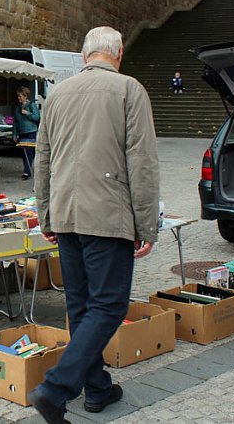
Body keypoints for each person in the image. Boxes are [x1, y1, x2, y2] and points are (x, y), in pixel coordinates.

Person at [29, 26, 159, 423]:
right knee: (108, 305)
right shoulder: (128, 89)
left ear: (85, 55)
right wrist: (146, 223)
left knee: (82, 306)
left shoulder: (57, 94)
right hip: (107, 213)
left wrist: (46, 212)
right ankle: (55, 389)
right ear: (117, 54)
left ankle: (98, 387)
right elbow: (142, 162)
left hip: (67, 212)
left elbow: (43, 160)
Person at [12, 86, 40, 180]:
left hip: (31, 131)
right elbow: (15, 121)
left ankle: (27, 172)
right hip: (21, 132)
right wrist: (14, 134)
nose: (19, 98)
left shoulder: (31, 105)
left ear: (25, 96)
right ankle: (27, 169)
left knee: (29, 152)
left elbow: (37, 118)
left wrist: (27, 113)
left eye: (20, 96)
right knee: (23, 153)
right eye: (18, 96)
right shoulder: (17, 107)